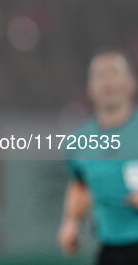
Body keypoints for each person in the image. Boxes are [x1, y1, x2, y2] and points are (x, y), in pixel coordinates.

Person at [58, 50, 138, 265]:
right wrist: (71, 222)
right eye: (100, 75)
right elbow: (81, 183)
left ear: (131, 83)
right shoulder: (78, 141)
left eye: (114, 73)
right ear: (89, 88)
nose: (108, 82)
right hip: (111, 251)